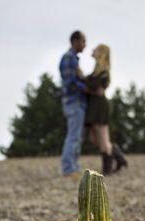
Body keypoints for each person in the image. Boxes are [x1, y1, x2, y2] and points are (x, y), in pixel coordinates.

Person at [85, 44, 128, 175]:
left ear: (101, 53)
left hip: (100, 106)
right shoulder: (97, 71)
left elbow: (97, 89)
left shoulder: (103, 71)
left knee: (103, 139)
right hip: (94, 105)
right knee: (95, 139)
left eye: (96, 49)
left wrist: (83, 84)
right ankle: (119, 157)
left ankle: (107, 169)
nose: (93, 50)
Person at [59, 31, 87, 178]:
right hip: (73, 101)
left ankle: (74, 166)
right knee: (73, 135)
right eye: (83, 41)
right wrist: (87, 88)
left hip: (77, 102)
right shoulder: (69, 58)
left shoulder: (73, 59)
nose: (85, 45)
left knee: (77, 136)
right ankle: (69, 168)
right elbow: (70, 83)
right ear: (75, 41)